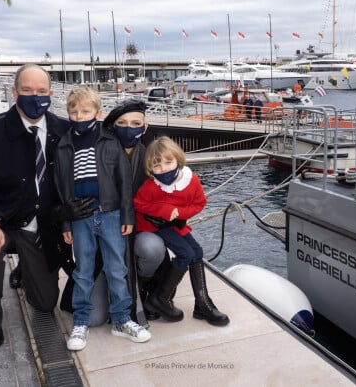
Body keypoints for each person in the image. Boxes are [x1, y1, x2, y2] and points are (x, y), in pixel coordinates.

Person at [0, 63, 72, 349]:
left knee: (45, 303)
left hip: (41, 226)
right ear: (14, 93)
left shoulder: (63, 131)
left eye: (42, 91)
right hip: (3, 221)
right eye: (27, 90)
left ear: (51, 93)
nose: (36, 97)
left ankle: (24, 268)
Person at [54, 87, 151, 351]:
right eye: (73, 112)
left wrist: (126, 214)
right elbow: (62, 187)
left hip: (110, 214)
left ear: (98, 113)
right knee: (83, 270)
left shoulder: (110, 142)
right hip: (80, 217)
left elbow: (124, 183)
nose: (79, 116)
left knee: (117, 269)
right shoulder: (64, 145)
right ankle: (81, 320)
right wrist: (65, 222)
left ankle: (122, 318)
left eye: (85, 111)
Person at [134, 136, 229, 327]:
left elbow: (199, 203)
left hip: (175, 224)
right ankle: (161, 297)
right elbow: (138, 203)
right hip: (154, 226)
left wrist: (180, 214)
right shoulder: (152, 185)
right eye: (157, 166)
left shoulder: (190, 180)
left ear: (178, 159)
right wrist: (164, 210)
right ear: (150, 169)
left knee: (197, 252)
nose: (164, 169)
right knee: (185, 254)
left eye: (168, 163)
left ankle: (202, 303)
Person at [103, 100, 168, 321]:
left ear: (145, 127)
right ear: (113, 126)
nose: (128, 128)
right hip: (106, 231)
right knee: (95, 318)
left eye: (135, 123)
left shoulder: (153, 159)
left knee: (152, 248)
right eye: (122, 123)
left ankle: (143, 282)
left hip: (140, 229)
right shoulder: (101, 155)